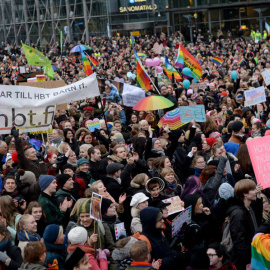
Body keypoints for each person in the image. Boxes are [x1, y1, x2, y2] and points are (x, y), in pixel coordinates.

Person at [226, 179, 263, 270]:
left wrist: (258, 198)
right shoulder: (238, 213)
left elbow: (256, 222)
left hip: (252, 255)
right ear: (245, 194)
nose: (256, 191)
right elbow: (239, 241)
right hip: (243, 261)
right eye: (253, 189)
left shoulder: (248, 208)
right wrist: (247, 261)